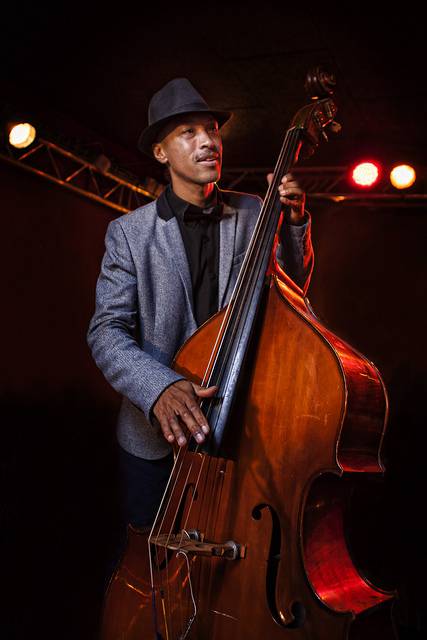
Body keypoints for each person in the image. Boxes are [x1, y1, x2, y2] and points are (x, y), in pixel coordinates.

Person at [86, 77, 314, 574]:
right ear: (162, 153)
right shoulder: (128, 234)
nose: (208, 141)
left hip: (236, 429)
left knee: (234, 568)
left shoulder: (254, 211)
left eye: (211, 130)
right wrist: (160, 386)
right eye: (189, 132)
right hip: (152, 442)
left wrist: (293, 224)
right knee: (153, 570)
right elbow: (106, 331)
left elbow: (289, 299)